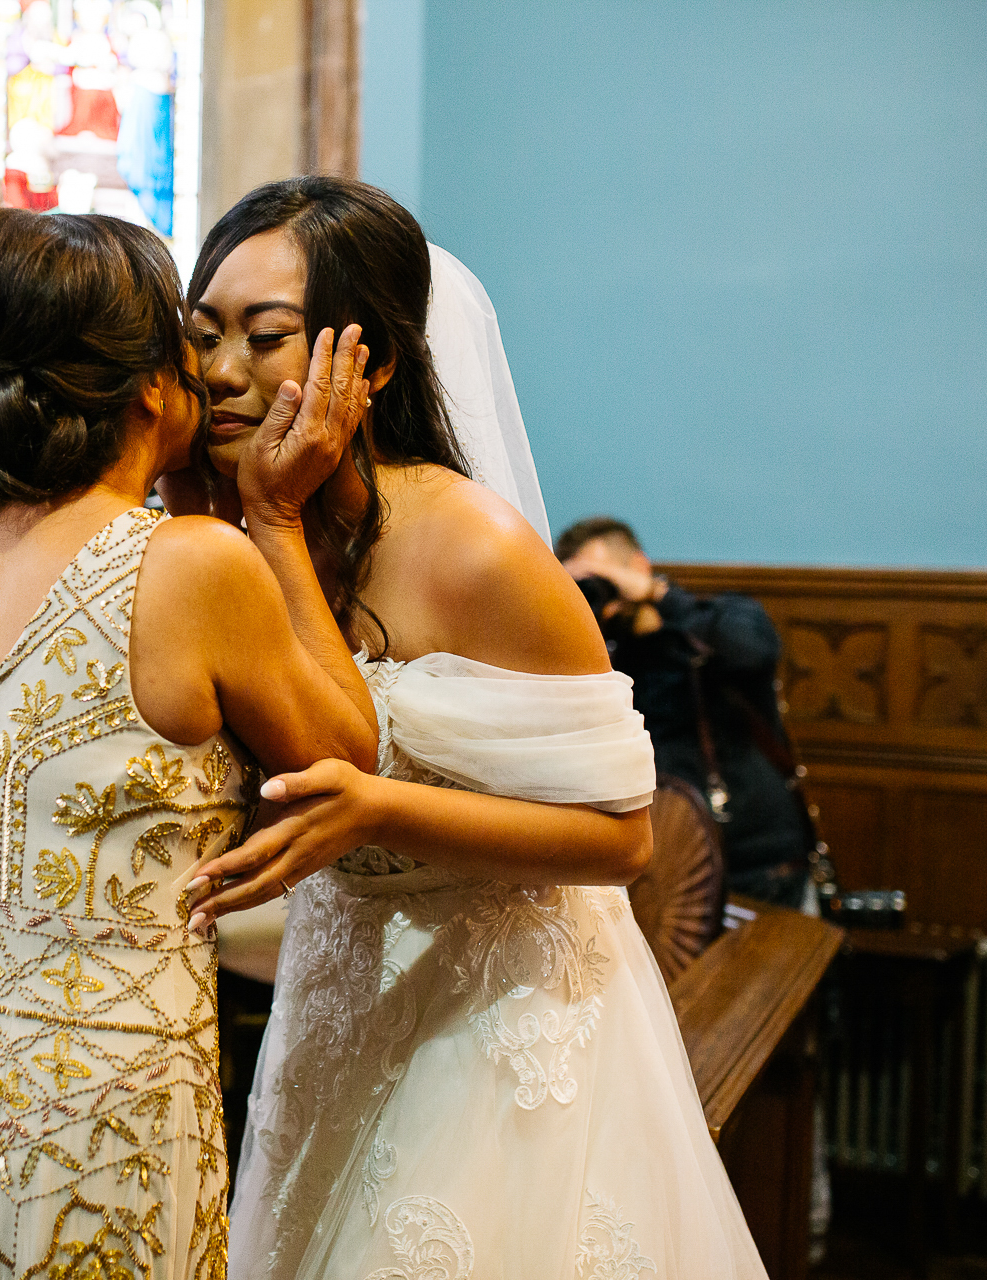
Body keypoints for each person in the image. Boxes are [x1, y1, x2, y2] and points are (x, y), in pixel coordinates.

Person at [175, 177, 767, 1278]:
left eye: (267, 337)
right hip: (338, 997)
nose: (221, 371)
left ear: (376, 361)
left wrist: (380, 807)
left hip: (501, 1024)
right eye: (204, 335)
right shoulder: (257, 529)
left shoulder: (475, 548)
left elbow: (621, 837)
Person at [0, 208, 377, 1276]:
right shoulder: (195, 566)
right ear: (149, 386)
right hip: (92, 1095)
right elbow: (344, 759)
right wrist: (271, 519)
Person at [557, 516, 812, 908]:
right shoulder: (604, 663)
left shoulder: (712, 621)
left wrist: (657, 594)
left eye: (603, 573)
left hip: (756, 864)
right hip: (663, 870)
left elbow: (751, 648)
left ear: (639, 565)